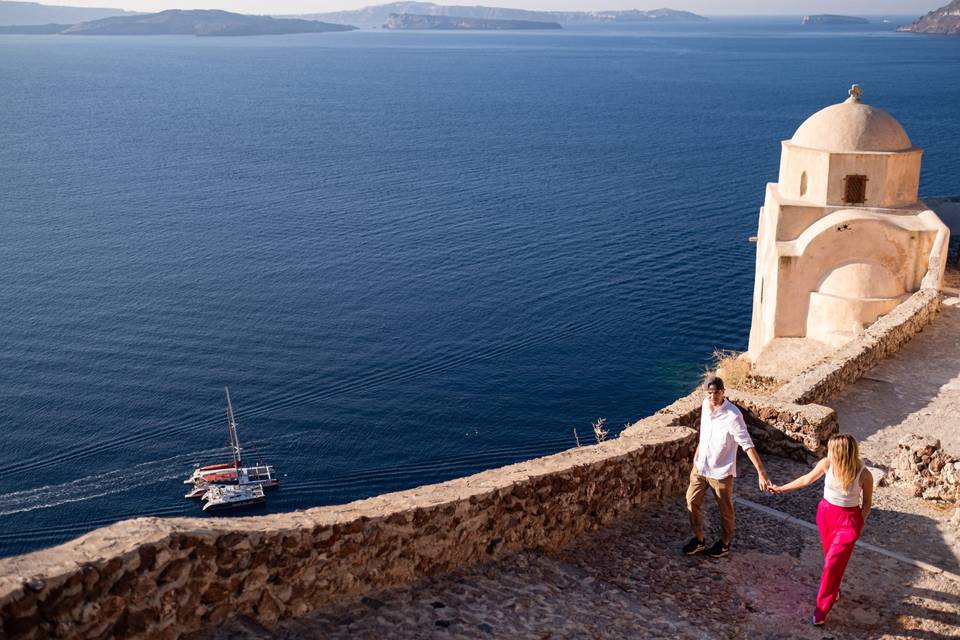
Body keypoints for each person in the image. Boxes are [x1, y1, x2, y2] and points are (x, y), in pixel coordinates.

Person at [770, 434, 874, 626]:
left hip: (848, 521)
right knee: (830, 559)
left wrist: (859, 522)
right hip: (826, 515)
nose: (829, 452)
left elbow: (867, 503)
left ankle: (821, 610)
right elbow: (805, 480)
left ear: (841, 452)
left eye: (832, 449)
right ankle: (834, 589)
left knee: (832, 564)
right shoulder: (827, 464)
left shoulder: (864, 474)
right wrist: (781, 489)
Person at [683, 376, 772, 558]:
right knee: (691, 502)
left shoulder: (733, 416)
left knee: (725, 510)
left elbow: (747, 444)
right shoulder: (705, 406)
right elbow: (705, 432)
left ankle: (724, 543)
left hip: (721, 472)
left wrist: (761, 473)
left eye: (716, 393)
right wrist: (698, 452)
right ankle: (699, 539)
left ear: (723, 392)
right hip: (700, 467)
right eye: (709, 393)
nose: (713, 397)